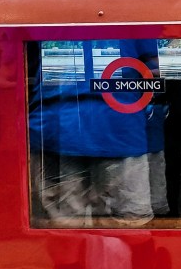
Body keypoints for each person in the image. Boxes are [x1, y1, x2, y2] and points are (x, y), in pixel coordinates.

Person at [28, 39, 168, 226]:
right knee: (128, 224)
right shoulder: (134, 15)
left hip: (59, 127)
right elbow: (162, 64)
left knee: (63, 227)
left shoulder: (41, 13)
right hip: (117, 128)